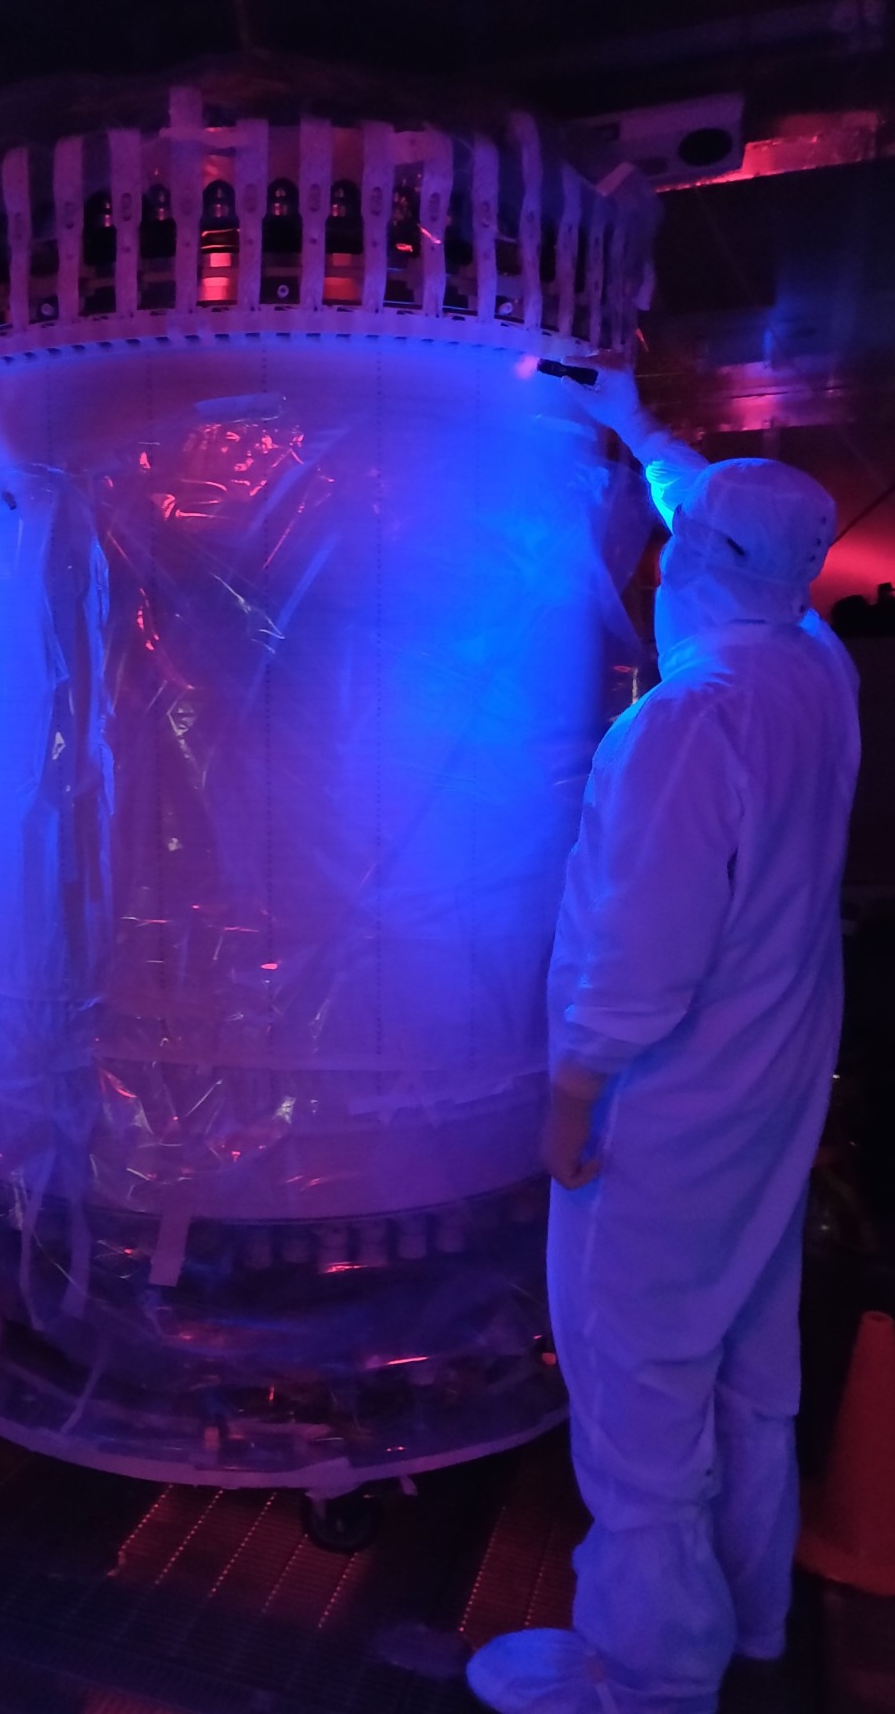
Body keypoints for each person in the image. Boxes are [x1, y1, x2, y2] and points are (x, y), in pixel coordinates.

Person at [466, 369, 859, 1713]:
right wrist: (640, 425)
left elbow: (643, 952)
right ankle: (747, 1622)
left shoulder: (686, 724)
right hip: (771, 1095)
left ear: (692, 565)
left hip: (666, 1113)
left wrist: (570, 1093)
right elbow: (735, 526)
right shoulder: (817, 667)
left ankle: (646, 1672)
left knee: (638, 1398)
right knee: (750, 1368)